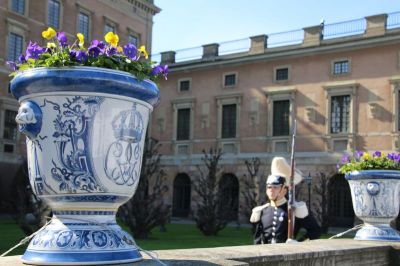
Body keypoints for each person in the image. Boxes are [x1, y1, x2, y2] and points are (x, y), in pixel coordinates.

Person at [250, 157, 321, 244]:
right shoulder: (261, 211)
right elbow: (257, 240)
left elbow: (315, 231)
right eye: (269, 187)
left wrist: (299, 243)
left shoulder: (296, 210)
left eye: (276, 187)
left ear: (284, 190)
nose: (271, 190)